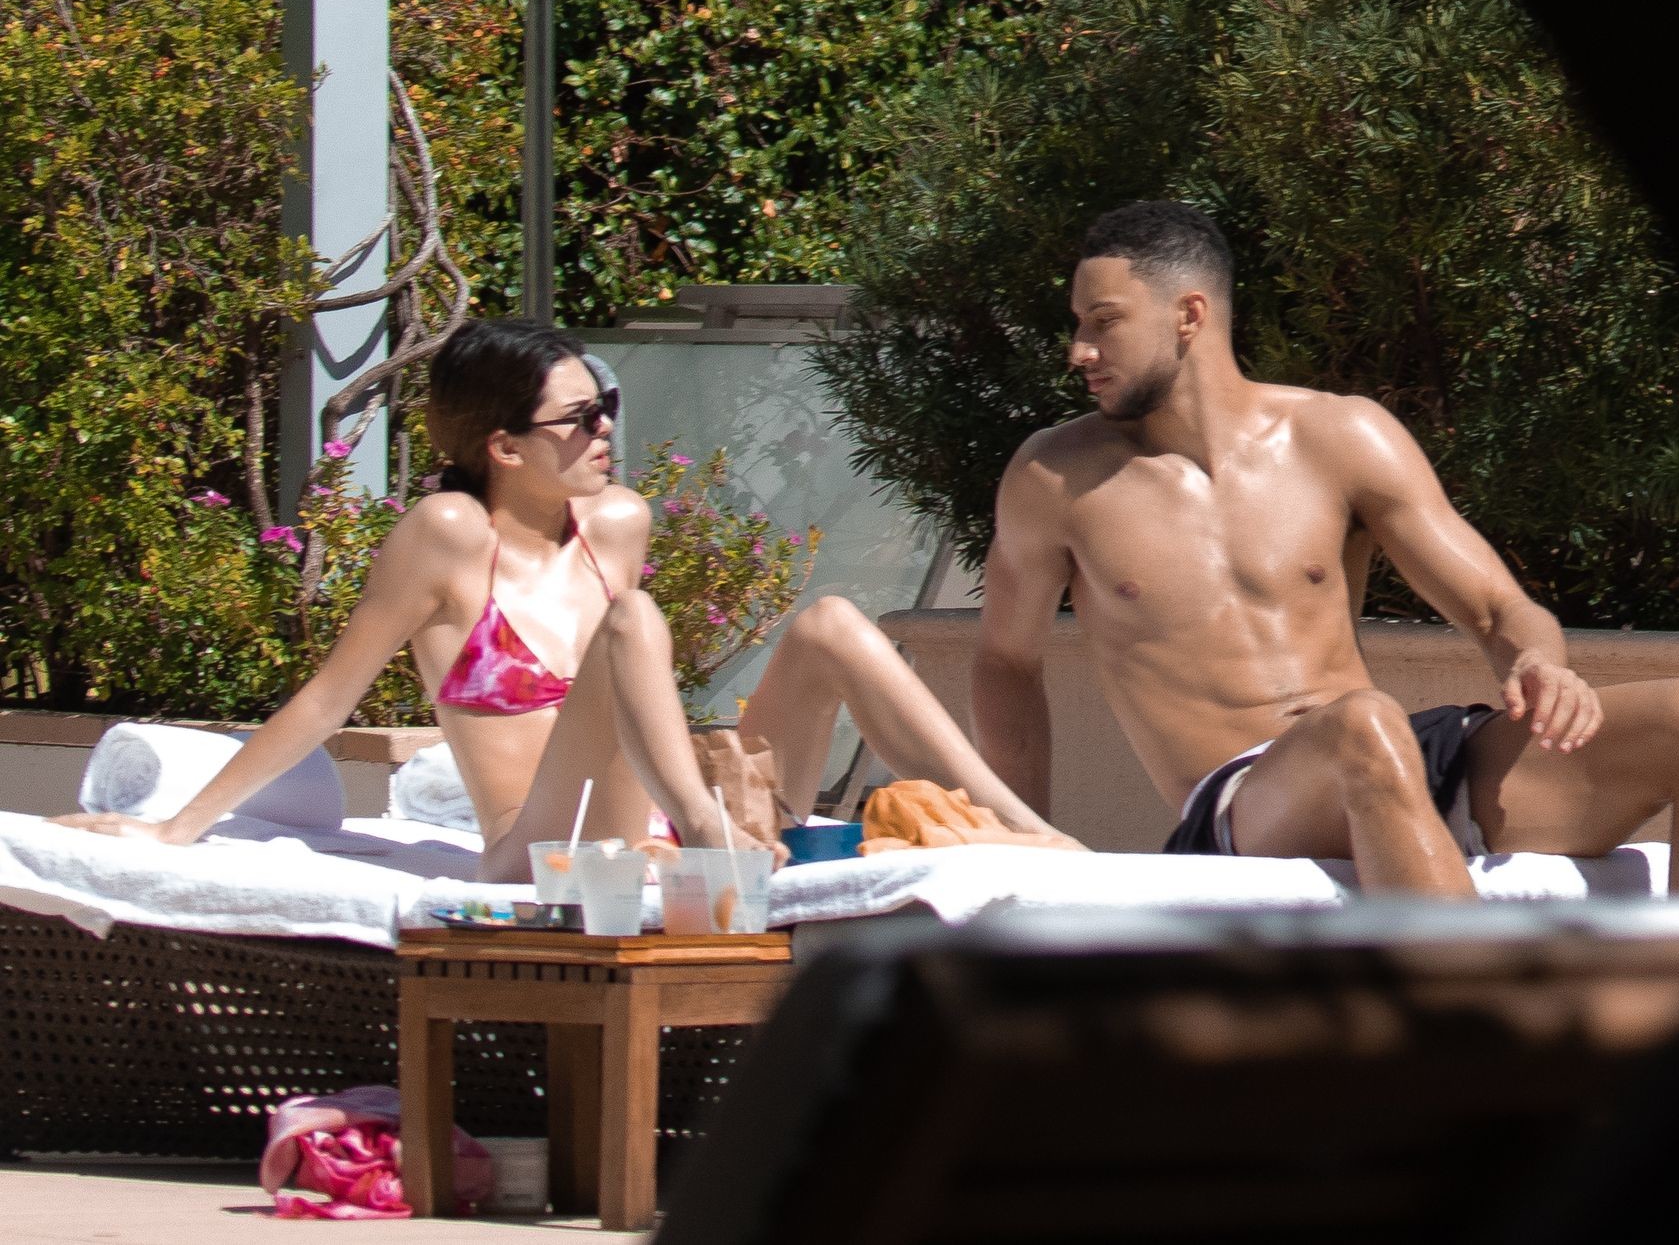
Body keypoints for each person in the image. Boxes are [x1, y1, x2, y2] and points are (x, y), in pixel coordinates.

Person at [55, 319, 1071, 877]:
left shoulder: (616, 522)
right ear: (503, 446)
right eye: (580, 417)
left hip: (667, 819)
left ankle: (1031, 829)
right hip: (545, 843)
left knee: (832, 623)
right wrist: (175, 829)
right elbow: (329, 698)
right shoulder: (447, 536)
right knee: (633, 618)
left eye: (607, 406)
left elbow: (637, 709)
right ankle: (711, 844)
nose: (605, 431)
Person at [971, 201, 1679, 899]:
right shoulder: (1054, 477)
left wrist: (1540, 663)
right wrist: (1024, 836)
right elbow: (1006, 662)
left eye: (1103, 321)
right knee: (1363, 725)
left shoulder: (1339, 435)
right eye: (1079, 324)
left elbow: (1499, 608)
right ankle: (1473, 1016)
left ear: (1189, 315)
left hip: (1397, 757)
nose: (1079, 349)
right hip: (1248, 800)